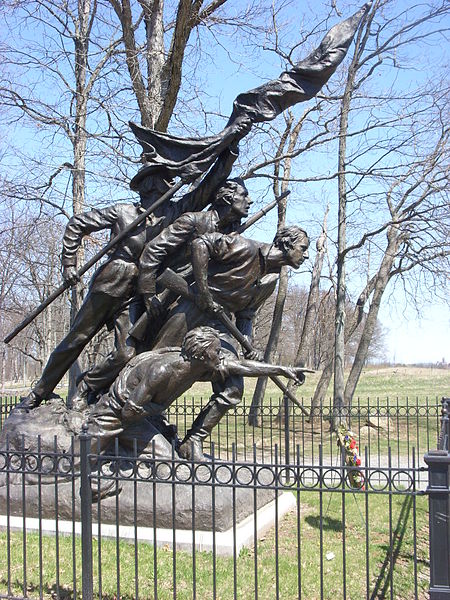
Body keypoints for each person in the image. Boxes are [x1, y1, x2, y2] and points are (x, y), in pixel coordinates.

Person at [17, 118, 251, 412]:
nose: (164, 184)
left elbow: (209, 187)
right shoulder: (123, 212)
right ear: (147, 185)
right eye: (159, 180)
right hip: (112, 280)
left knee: (126, 353)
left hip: (139, 291)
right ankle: (39, 391)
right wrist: (69, 264)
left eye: (165, 179)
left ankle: (87, 388)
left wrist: (229, 148)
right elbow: (78, 224)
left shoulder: (175, 211)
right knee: (76, 338)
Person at [150, 226, 310, 459]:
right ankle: (145, 422)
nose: (305, 255)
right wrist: (204, 293)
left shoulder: (271, 280)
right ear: (286, 245)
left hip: (221, 327)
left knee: (233, 387)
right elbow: (200, 243)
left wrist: (248, 345)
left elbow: (246, 314)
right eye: (303, 249)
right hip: (193, 311)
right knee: (161, 370)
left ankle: (193, 441)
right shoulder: (245, 248)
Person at [86, 326, 307, 459]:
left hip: (136, 421)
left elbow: (242, 366)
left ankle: (123, 455)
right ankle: (117, 456)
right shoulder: (162, 370)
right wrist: (158, 408)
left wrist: (282, 369)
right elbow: (128, 413)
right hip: (112, 417)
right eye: (217, 351)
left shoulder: (199, 367)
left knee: (168, 460)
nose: (221, 355)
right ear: (202, 354)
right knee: (77, 461)